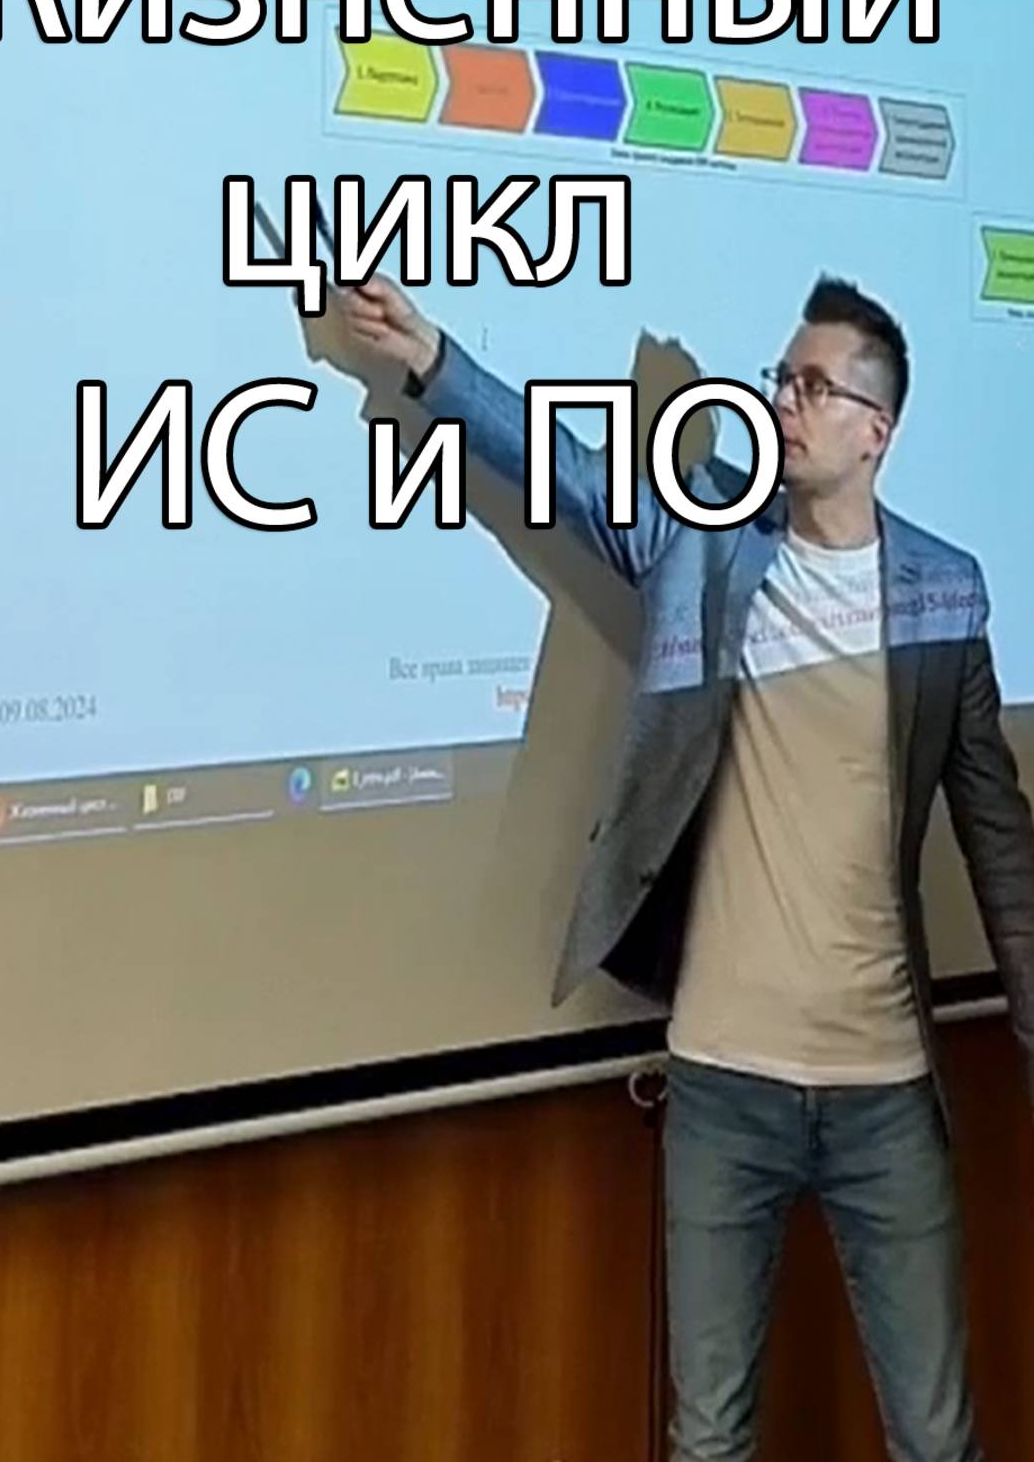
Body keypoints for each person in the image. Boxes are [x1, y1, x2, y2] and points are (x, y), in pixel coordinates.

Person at [332, 269, 1034, 1462]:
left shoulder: (940, 588)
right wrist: (433, 360)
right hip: (722, 1085)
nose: (783, 402)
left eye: (813, 387)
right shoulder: (706, 538)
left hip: (884, 1091)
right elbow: (568, 473)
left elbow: (997, 835)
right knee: (707, 1438)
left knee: (935, 1436)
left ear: (877, 429)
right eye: (779, 379)